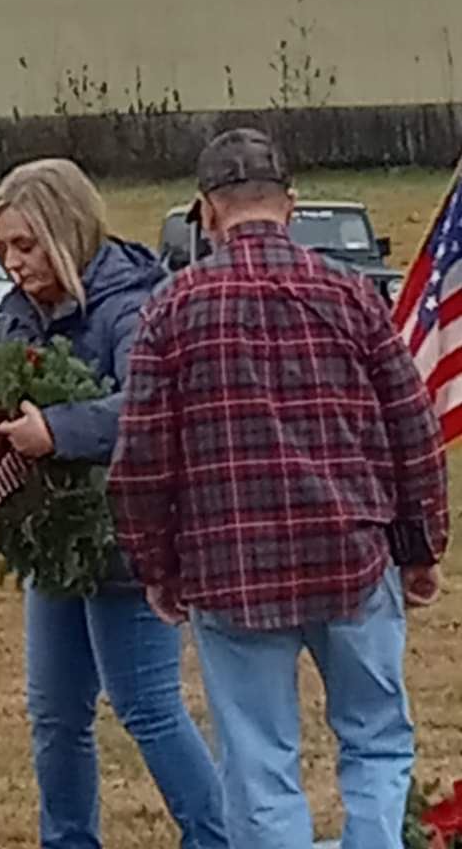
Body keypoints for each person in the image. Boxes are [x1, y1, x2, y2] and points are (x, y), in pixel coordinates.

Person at [109, 128, 450, 849]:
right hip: (352, 556)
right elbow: (411, 430)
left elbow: (140, 459)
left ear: (207, 212)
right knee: (377, 741)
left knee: (259, 766)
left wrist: (157, 567)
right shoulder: (352, 297)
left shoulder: (171, 310)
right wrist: (421, 547)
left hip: (231, 572)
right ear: (289, 207)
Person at [0, 158, 227, 849]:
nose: (14, 263)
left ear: (66, 231)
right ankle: (67, 841)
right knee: (53, 713)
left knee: (146, 706)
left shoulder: (132, 304)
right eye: (6, 248)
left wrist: (58, 432)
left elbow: (149, 403)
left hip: (127, 536)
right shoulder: (21, 313)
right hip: (54, 548)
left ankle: (218, 837)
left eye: (26, 244)